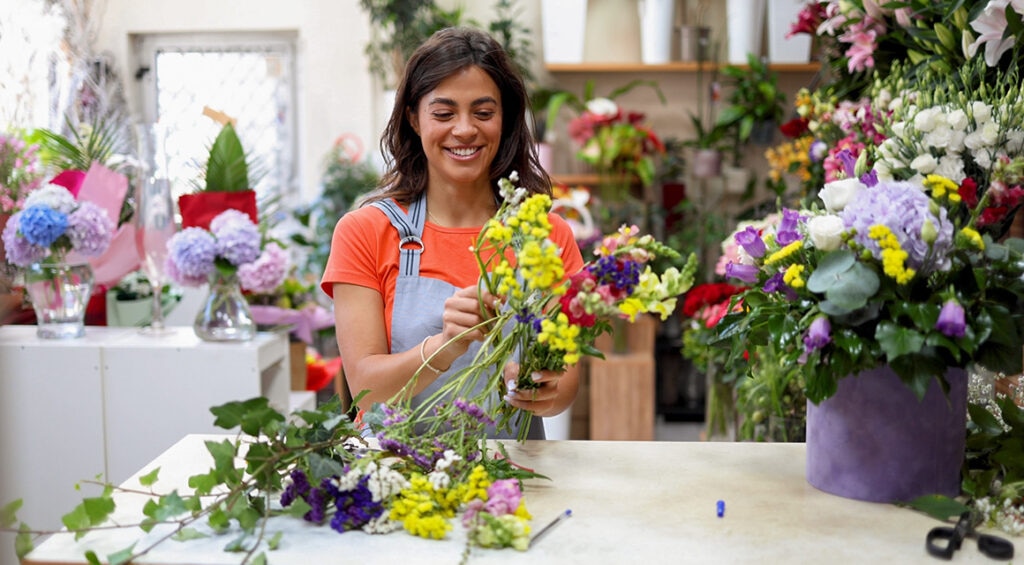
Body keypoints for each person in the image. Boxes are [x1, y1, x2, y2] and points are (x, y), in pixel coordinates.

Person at [320, 27, 584, 439]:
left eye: (483, 113)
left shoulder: (545, 234)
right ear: (413, 117)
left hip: (510, 480)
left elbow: (565, 385)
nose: (464, 130)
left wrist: (540, 388)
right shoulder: (365, 232)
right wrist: (443, 345)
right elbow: (366, 393)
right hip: (398, 478)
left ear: (506, 119)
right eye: (443, 114)